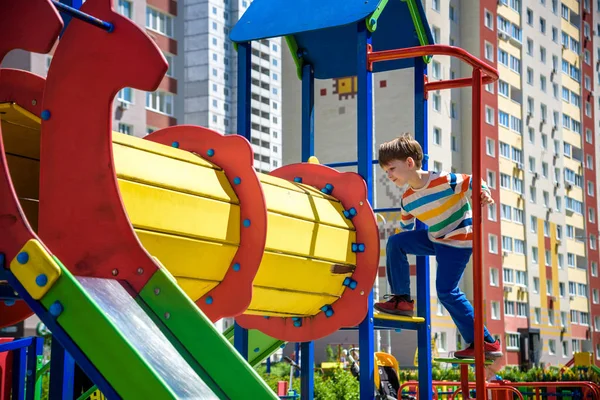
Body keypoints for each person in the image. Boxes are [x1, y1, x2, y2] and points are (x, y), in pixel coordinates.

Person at [374, 133, 502, 360]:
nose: (388, 175)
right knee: (396, 242)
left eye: (391, 169)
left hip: (459, 240)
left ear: (410, 163)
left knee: (446, 291)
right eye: (386, 171)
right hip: (436, 239)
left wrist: (484, 194)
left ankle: (485, 342)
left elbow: (475, 181)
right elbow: (406, 227)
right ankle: (402, 299)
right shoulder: (408, 199)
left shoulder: (443, 180)